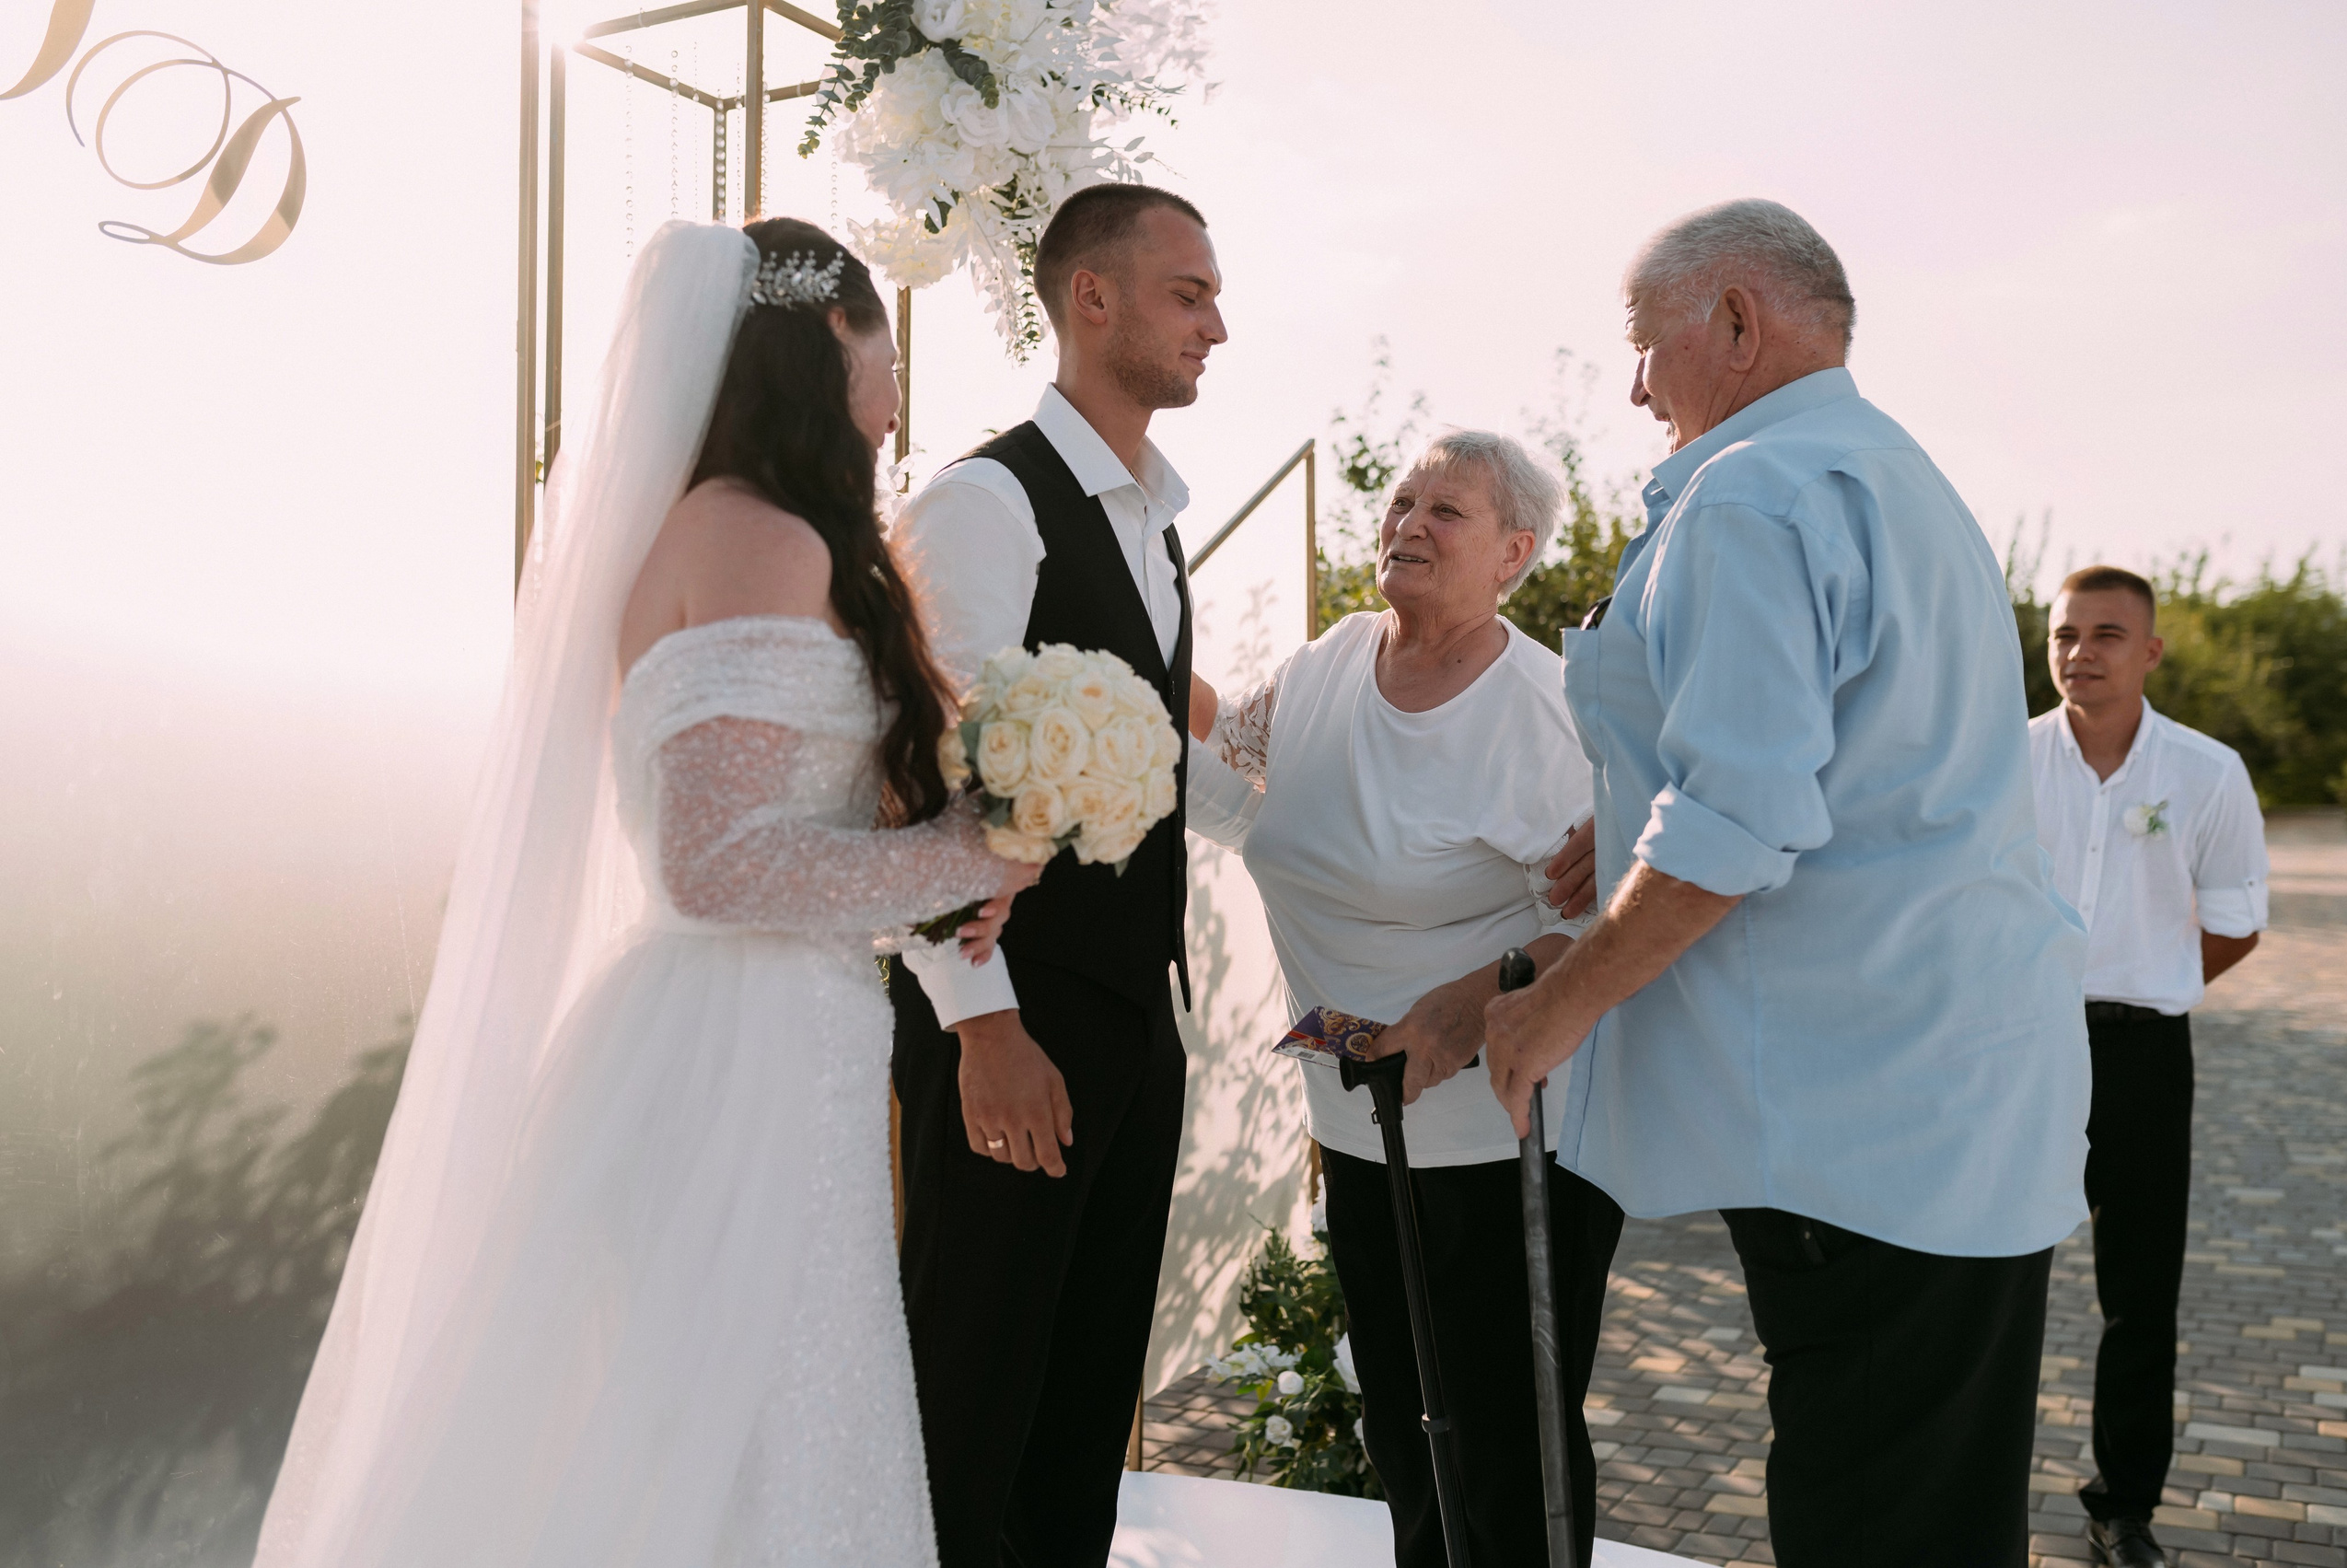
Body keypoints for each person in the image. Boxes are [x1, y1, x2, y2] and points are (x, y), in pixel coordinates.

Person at [252, 218, 1036, 1568]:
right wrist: (975, 858)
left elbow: (772, 814)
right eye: (882, 344)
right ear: (821, 343)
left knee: (759, 1412)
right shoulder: (758, 538)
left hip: (779, 1035)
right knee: (741, 1425)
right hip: (743, 1047)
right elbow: (718, 862)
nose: (898, 388)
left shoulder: (740, 531)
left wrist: (939, 842)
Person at [1486, 198, 2091, 1561]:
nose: (1635, 383)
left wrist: (1554, 1005)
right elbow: (1850, 765)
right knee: (1932, 1502)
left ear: (1739, 322)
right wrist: (1631, 817)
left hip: (1864, 1116)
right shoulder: (1891, 469)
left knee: (1870, 1517)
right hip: (1952, 1092)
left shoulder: (1752, 491)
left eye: (1645, 344)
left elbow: (1742, 819)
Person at [1186, 429, 1622, 1568]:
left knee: (1506, 1451)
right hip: (1358, 1120)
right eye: (1401, 502)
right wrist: (1116, 651)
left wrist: (1461, 1004)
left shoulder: (1540, 709)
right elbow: (1230, 769)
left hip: (1507, 1139)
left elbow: (1595, 918)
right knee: (1400, 1427)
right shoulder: (1330, 659)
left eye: (1447, 512)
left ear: (1513, 552)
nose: (1408, 524)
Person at [885, 182, 1222, 1568]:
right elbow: (916, 786)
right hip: (1016, 1025)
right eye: (1189, 292)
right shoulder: (983, 501)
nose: (1219, 322)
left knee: (1083, 1406)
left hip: (1134, 1018)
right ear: (1094, 298)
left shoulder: (1154, 519)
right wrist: (985, 1021)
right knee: (971, 1401)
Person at [2028, 565, 2267, 1568]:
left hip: (2140, 1054)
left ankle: (2122, 1506)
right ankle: (1968, 1484)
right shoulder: (2000, 759)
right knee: (1989, 1277)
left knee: (2139, 1292)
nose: (2081, 651)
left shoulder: (2206, 772)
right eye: (2065, 634)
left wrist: (2147, 979)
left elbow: (2236, 921)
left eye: (2108, 634)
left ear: (2151, 650)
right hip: (2019, 1050)